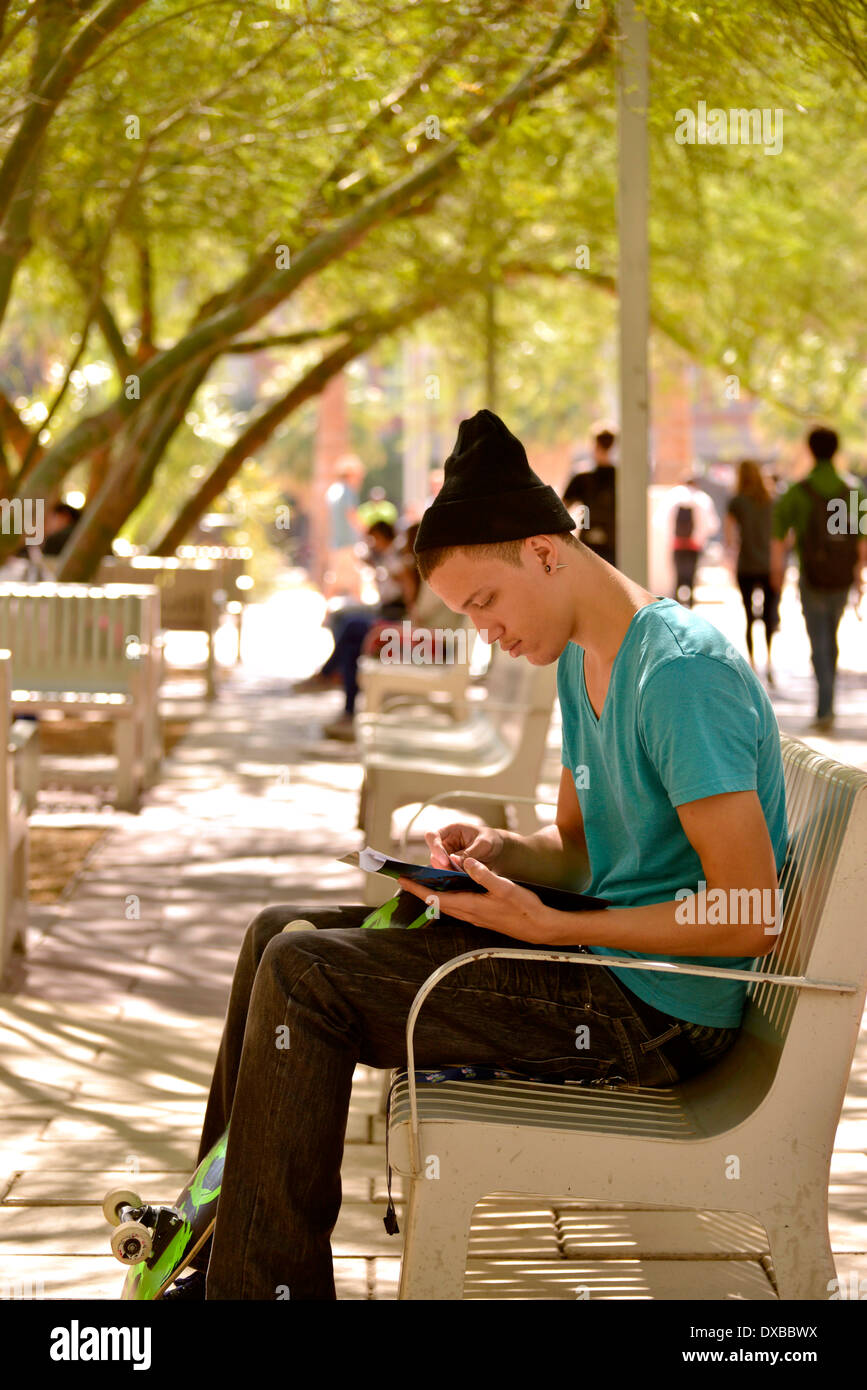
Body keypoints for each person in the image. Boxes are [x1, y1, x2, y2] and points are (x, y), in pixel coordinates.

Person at [170, 409, 786, 1300]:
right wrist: (500, 851)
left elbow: (750, 914)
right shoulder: (585, 659)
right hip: (603, 965)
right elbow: (579, 854)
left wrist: (557, 928)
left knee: (308, 973)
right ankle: (214, 1255)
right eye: (465, 615)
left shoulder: (677, 673)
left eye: (485, 603)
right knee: (281, 930)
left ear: (544, 551)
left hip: (661, 1014)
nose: (484, 631)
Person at [771, 426, 867, 732]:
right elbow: (862, 540)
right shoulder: (853, 490)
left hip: (811, 577)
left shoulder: (798, 491)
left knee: (818, 639)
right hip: (841, 577)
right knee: (833, 635)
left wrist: (776, 572)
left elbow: (778, 538)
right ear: (836, 450)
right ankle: (829, 701)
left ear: (811, 450)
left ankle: (824, 705)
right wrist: (859, 574)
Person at [724, 460, 779, 684]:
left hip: (746, 563)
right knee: (769, 616)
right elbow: (782, 536)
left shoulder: (737, 501)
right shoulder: (772, 500)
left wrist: (732, 555)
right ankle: (770, 662)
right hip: (768, 565)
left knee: (748, 614)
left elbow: (729, 536)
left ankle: (753, 664)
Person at [562, 422, 617, 564]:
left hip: (594, 544)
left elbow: (562, 508)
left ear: (594, 445)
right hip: (611, 542)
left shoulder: (582, 476)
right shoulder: (621, 478)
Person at [664, 474, 720, 608]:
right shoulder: (702, 498)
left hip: (677, 543)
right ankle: (689, 602)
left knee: (678, 575)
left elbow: (662, 521)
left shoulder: (673, 496)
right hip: (694, 545)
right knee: (691, 575)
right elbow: (712, 524)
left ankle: (676, 603)